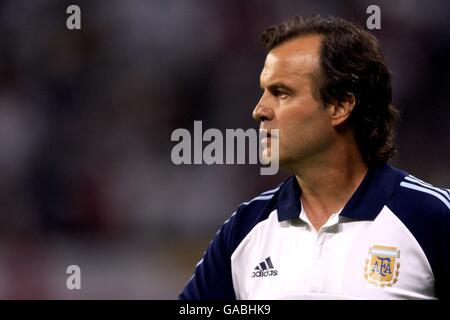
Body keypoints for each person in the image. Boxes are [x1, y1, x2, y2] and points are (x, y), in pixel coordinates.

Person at [179, 15, 450, 300]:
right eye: (264, 92)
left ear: (340, 106)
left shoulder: (431, 217)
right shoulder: (245, 227)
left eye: (281, 93)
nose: (259, 110)